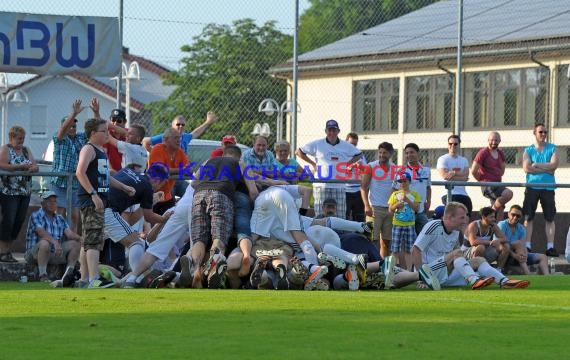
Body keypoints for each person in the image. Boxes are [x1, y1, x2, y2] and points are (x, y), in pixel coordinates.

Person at [412, 202, 530, 290]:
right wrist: (422, 277)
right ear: (449, 217)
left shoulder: (455, 231)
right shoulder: (433, 226)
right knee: (458, 253)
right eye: (461, 217)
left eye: (465, 217)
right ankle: (474, 280)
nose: (464, 221)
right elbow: (415, 249)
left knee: (479, 260)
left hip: (445, 275)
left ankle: (505, 281)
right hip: (431, 274)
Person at [75, 118, 136, 288]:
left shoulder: (100, 151)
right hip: (92, 201)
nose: (107, 134)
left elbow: (105, 177)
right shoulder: (88, 149)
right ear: (93, 134)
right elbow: (80, 172)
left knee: (89, 239)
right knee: (93, 240)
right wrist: (93, 194)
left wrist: (124, 187)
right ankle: (94, 279)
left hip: (101, 200)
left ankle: (84, 278)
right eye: (104, 131)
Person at [187, 145, 258, 289]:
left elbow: (194, 183)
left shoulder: (209, 161)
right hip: (221, 194)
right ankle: (214, 267)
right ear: (239, 156)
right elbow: (253, 191)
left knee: (199, 239)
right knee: (219, 237)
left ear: (224, 153)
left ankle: (195, 270)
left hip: (199, 195)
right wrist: (253, 206)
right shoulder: (240, 163)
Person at [104, 166, 172, 275]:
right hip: (108, 210)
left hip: (94, 205)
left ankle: (84, 277)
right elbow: (147, 217)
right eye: (162, 184)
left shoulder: (127, 171)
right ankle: (135, 278)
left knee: (89, 246)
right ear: (157, 181)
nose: (159, 188)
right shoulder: (147, 188)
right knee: (136, 243)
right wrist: (164, 218)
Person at [296, 119, 361, 218]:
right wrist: (313, 163)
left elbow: (359, 154)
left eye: (334, 130)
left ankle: (339, 233)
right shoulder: (317, 144)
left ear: (338, 131)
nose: (332, 133)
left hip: (339, 185)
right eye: (329, 130)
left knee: (340, 215)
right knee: (320, 215)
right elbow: (299, 152)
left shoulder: (345, 145)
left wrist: (347, 164)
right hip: (321, 185)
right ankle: (320, 232)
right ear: (326, 131)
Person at [143, 112, 217, 198]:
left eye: (183, 124)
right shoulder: (165, 137)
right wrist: (157, 154)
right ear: (172, 126)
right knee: (169, 195)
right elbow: (145, 141)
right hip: (165, 178)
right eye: (178, 124)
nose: (180, 126)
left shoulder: (185, 137)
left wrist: (208, 122)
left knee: (193, 194)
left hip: (178, 178)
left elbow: (195, 133)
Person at [0, 125, 39, 262]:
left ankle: (8, 250)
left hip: (24, 192)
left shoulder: (26, 150)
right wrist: (19, 167)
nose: (21, 141)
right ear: (11, 138)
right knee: (8, 221)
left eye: (23, 138)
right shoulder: (6, 149)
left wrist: (33, 168)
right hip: (9, 192)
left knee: (18, 220)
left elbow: (35, 165)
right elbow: (2, 165)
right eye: (18, 138)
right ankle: (3, 251)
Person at [25, 191, 81, 283]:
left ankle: (68, 274)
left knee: (75, 244)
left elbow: (70, 234)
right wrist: (55, 242)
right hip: (34, 254)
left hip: (54, 252)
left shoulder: (60, 218)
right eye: (49, 201)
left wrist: (81, 238)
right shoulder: (36, 215)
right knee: (44, 243)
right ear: (42, 204)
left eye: (54, 201)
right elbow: (41, 232)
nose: (52, 204)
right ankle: (43, 275)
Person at [50, 99, 88, 233]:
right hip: (60, 182)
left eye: (74, 126)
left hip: (75, 182)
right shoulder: (59, 138)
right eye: (70, 126)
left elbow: (94, 131)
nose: (72, 128)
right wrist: (74, 114)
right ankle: (58, 240)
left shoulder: (80, 138)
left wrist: (95, 112)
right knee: (59, 213)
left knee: (75, 215)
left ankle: (71, 242)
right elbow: (62, 131)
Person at [522, 123, 558, 257]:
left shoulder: (552, 148)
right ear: (535, 133)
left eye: (545, 132)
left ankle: (550, 247)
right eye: (540, 132)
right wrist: (546, 168)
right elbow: (527, 168)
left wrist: (536, 165)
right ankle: (527, 245)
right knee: (528, 217)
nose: (543, 134)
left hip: (548, 188)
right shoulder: (528, 150)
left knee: (550, 218)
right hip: (532, 187)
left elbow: (554, 166)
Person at [361, 141, 396, 257]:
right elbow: (363, 187)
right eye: (380, 152)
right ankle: (371, 266)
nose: (381, 155)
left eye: (384, 153)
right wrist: (366, 205)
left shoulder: (395, 169)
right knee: (371, 240)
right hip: (374, 209)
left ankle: (383, 267)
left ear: (390, 154)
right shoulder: (371, 166)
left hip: (390, 210)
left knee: (386, 242)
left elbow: (397, 189)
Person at [471, 131, 513, 221]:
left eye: (496, 140)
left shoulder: (500, 153)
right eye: (492, 140)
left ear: (500, 141)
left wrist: (497, 174)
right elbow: (474, 170)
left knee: (501, 208)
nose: (494, 142)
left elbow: (502, 170)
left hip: (498, 184)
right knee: (508, 193)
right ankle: (491, 211)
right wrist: (482, 180)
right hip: (488, 185)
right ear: (488, 140)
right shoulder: (483, 152)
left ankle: (496, 230)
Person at [148, 128, 190, 215]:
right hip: (153, 195)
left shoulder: (179, 152)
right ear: (166, 139)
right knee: (152, 225)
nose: (179, 140)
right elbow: (161, 171)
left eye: (179, 138)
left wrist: (169, 172)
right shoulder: (158, 149)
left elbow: (189, 170)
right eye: (175, 138)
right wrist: (181, 171)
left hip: (167, 196)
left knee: (167, 224)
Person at [497, 205, 549, 275]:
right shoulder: (502, 225)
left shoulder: (521, 228)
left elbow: (523, 246)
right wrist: (515, 255)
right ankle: (527, 273)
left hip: (519, 255)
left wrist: (525, 256)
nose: (515, 217)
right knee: (517, 243)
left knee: (543, 257)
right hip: (504, 255)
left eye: (518, 216)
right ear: (508, 214)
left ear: (521, 217)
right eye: (513, 214)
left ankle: (548, 277)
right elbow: (499, 245)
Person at [393, 143, 431, 235]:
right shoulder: (401, 171)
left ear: (418, 153)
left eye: (412, 152)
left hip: (421, 210)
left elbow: (428, 187)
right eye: (407, 153)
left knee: (425, 236)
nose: (409, 155)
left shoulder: (426, 170)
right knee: (408, 241)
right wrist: (397, 204)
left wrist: (428, 201)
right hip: (406, 212)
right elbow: (394, 189)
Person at [387, 172, 421, 270]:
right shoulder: (395, 194)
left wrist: (407, 200)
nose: (402, 183)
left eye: (404, 181)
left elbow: (417, 209)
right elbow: (390, 210)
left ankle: (409, 271)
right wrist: (396, 205)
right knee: (395, 249)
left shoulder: (414, 194)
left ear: (409, 181)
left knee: (409, 250)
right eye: (400, 181)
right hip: (397, 224)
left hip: (410, 225)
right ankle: (391, 270)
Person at [462, 207, 509, 271]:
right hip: (466, 254)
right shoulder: (473, 225)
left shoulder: (493, 226)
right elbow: (473, 242)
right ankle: (476, 271)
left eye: (494, 217)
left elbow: (505, 239)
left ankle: (498, 270)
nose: (494, 219)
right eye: (491, 217)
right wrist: (490, 242)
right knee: (481, 247)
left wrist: (498, 240)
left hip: (483, 252)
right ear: (484, 217)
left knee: (506, 246)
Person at [436, 135, 472, 216]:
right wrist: (461, 176)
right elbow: (445, 176)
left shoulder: (464, 160)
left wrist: (453, 173)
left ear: (459, 145)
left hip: (463, 194)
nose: (452, 146)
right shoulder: (443, 159)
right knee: (454, 218)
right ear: (447, 145)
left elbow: (466, 176)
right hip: (449, 193)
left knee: (467, 216)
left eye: (455, 144)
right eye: (450, 143)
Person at [344, 132, 366, 222]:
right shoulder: (342, 154)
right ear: (346, 142)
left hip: (358, 189)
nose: (353, 146)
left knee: (360, 216)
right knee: (345, 216)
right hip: (345, 190)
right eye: (351, 144)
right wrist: (350, 166)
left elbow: (366, 170)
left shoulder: (359, 154)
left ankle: (360, 235)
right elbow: (337, 170)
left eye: (355, 144)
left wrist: (360, 166)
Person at [102, 108, 127, 173]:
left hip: (127, 174)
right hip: (110, 173)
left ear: (125, 122)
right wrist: (112, 172)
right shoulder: (105, 134)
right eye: (113, 120)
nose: (115, 123)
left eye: (119, 121)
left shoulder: (128, 134)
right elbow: (103, 157)